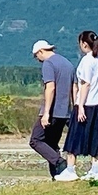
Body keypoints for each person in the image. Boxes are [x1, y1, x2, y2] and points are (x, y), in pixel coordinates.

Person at [55, 30, 98, 181]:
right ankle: (95, 169)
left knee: (74, 137)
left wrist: (79, 106)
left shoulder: (87, 60)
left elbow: (85, 85)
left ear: (84, 44)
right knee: (96, 136)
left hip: (88, 104)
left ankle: (71, 169)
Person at [28, 39, 74, 179]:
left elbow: (50, 87)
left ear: (41, 52)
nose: (38, 60)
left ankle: (60, 163)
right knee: (52, 144)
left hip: (53, 111)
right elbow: (74, 88)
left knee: (36, 140)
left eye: (37, 57)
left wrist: (46, 113)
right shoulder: (68, 63)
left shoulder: (49, 63)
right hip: (65, 112)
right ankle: (58, 175)